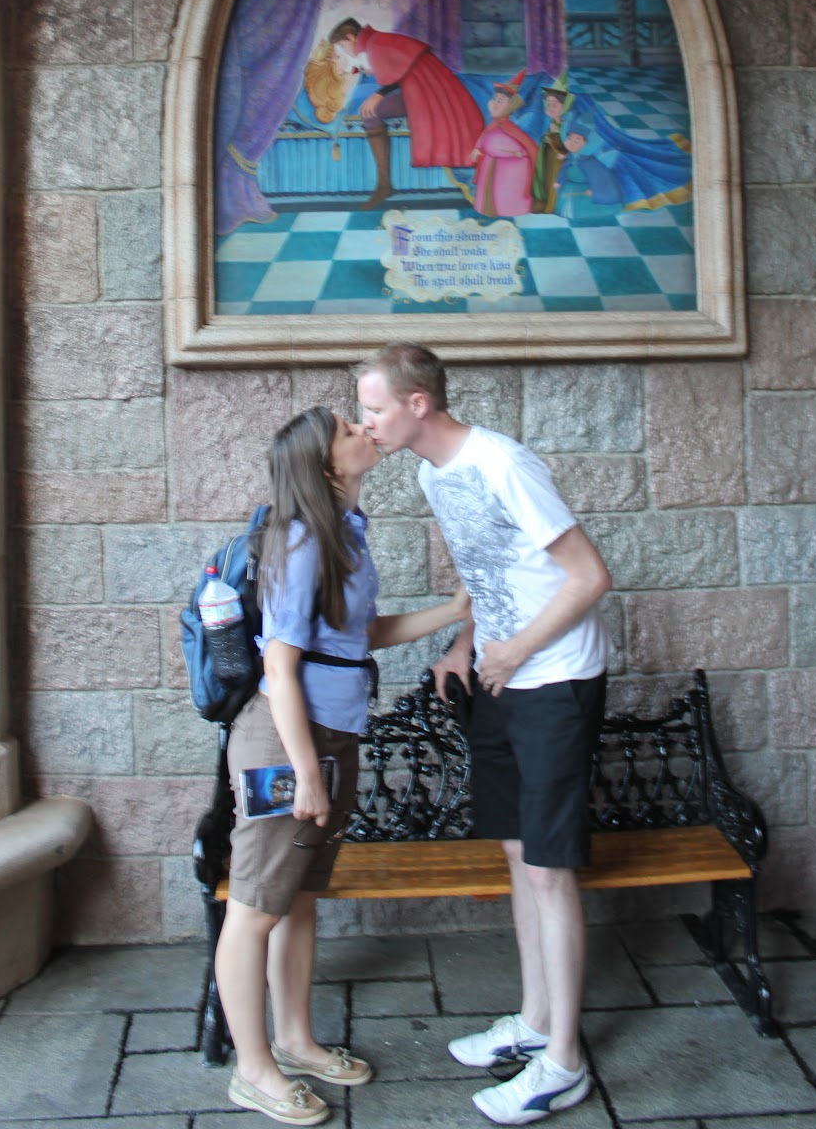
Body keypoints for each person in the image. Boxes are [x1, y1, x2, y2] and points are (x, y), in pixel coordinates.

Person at [355, 346, 611, 1127]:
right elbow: (483, 570)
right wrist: (466, 646)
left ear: (417, 404)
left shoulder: (503, 463)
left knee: (547, 870)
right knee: (514, 853)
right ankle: (535, 1022)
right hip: (499, 677)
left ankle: (564, 1064)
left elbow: (589, 575)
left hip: (554, 681)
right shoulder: (434, 474)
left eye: (373, 408)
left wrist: (515, 648)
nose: (365, 423)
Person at [215, 405, 468, 1127]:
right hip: (287, 743)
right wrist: (310, 771)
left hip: (331, 735)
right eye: (349, 432)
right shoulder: (300, 543)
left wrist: (453, 610)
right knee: (255, 906)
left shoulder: (343, 532)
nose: (365, 432)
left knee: (294, 898)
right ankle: (253, 1069)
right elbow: (281, 666)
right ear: (328, 465)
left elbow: (359, 638)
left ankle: (294, 1040)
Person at [328, 18, 484, 209]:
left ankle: (384, 185)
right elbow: (393, 70)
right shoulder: (375, 43)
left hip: (427, 94)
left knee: (371, 112)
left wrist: (378, 95)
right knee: (369, 112)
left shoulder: (376, 43)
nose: (344, 51)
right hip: (419, 91)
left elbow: (398, 72)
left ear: (351, 37)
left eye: (343, 46)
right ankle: (384, 185)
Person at [470, 72, 539, 218]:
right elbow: (484, 138)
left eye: (500, 100)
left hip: (509, 172)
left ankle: (507, 210)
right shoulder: (494, 125)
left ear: (510, 105)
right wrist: (477, 148)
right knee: (489, 193)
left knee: (502, 196)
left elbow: (523, 149)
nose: (495, 103)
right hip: (491, 166)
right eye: (495, 98)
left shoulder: (510, 129)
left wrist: (512, 153)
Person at [530, 70, 575, 215]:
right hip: (549, 159)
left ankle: (552, 206)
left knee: (554, 182)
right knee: (547, 180)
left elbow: (570, 147)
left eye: (554, 104)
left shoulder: (567, 125)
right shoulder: (552, 123)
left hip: (559, 163)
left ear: (565, 105)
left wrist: (558, 145)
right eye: (548, 103)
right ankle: (545, 204)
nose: (550, 107)